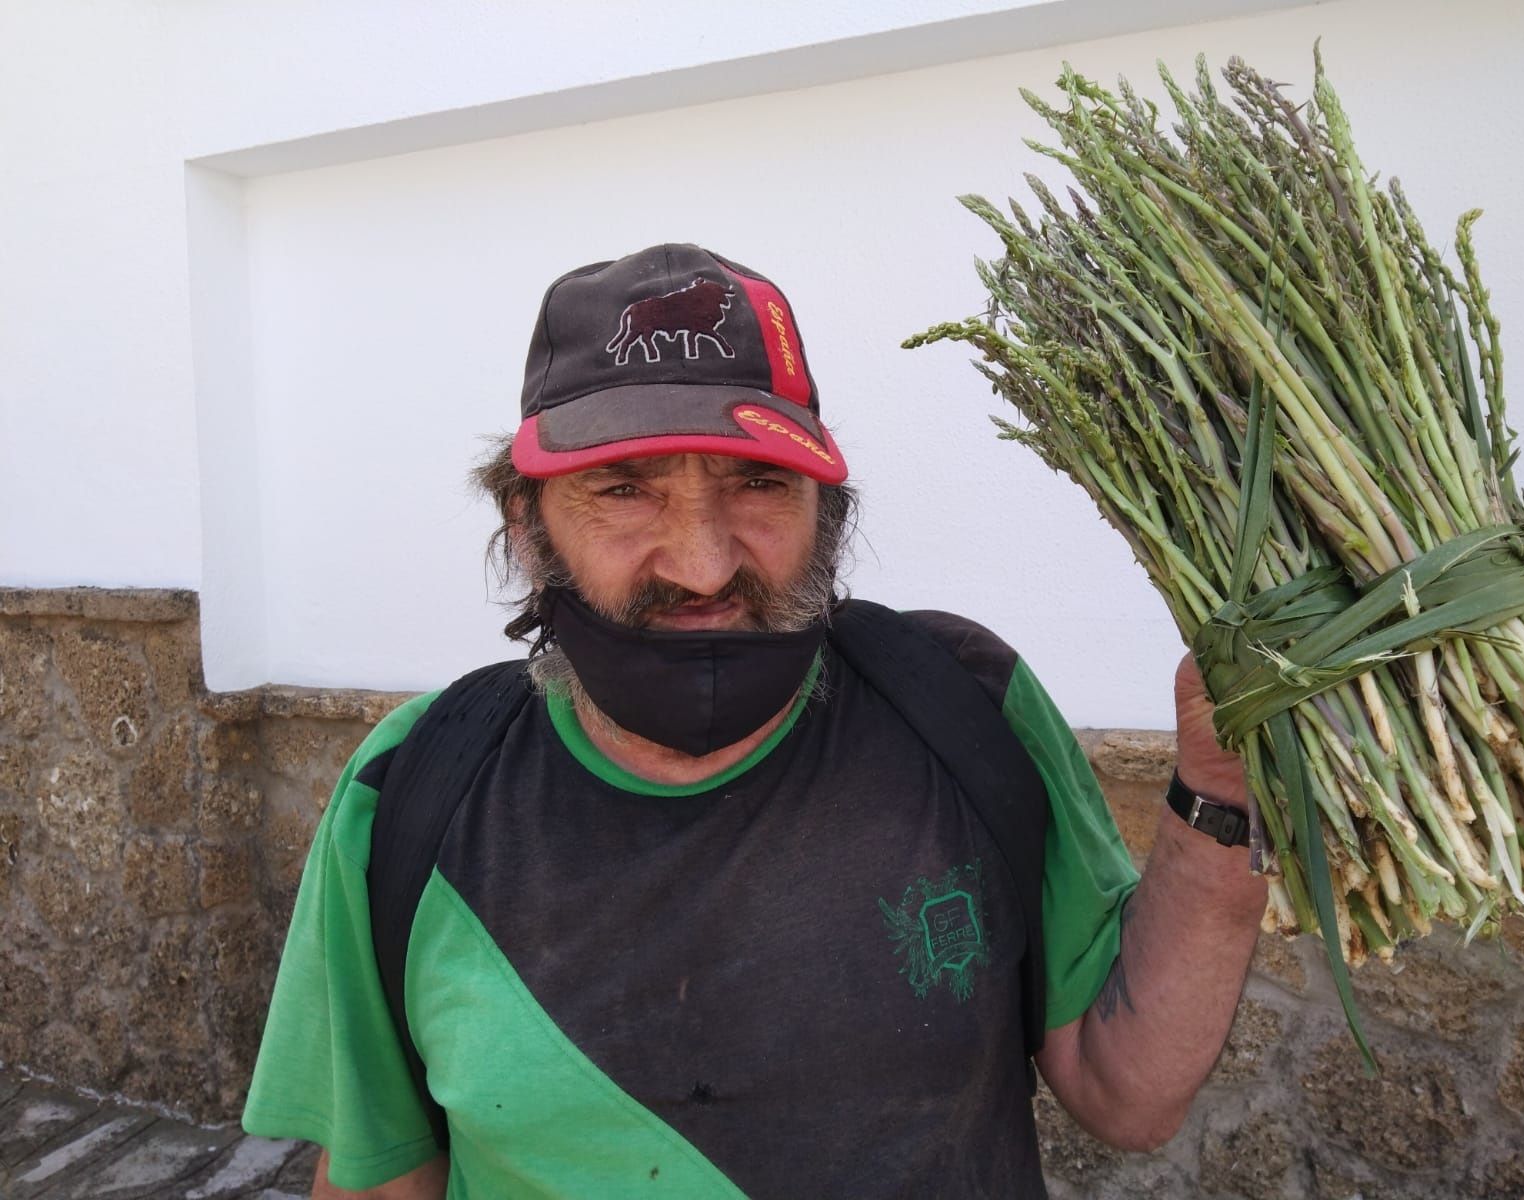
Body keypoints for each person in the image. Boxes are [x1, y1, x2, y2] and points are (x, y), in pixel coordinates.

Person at [241, 243, 1266, 1199]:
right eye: (624, 489)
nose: (702, 563)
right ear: (525, 526)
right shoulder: (418, 787)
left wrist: (1220, 794)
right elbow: (378, 1176)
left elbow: (1124, 1092)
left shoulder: (960, 704)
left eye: (759, 483)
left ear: (829, 514)